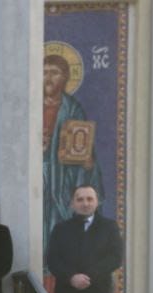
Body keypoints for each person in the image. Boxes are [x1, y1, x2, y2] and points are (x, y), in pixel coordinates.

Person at [42, 52, 102, 245]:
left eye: (54, 73)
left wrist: (87, 162)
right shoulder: (30, 107)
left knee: (58, 222)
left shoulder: (73, 109)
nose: (48, 78)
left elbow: (81, 148)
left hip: (62, 178)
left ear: (65, 77)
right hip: (37, 177)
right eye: (44, 72)